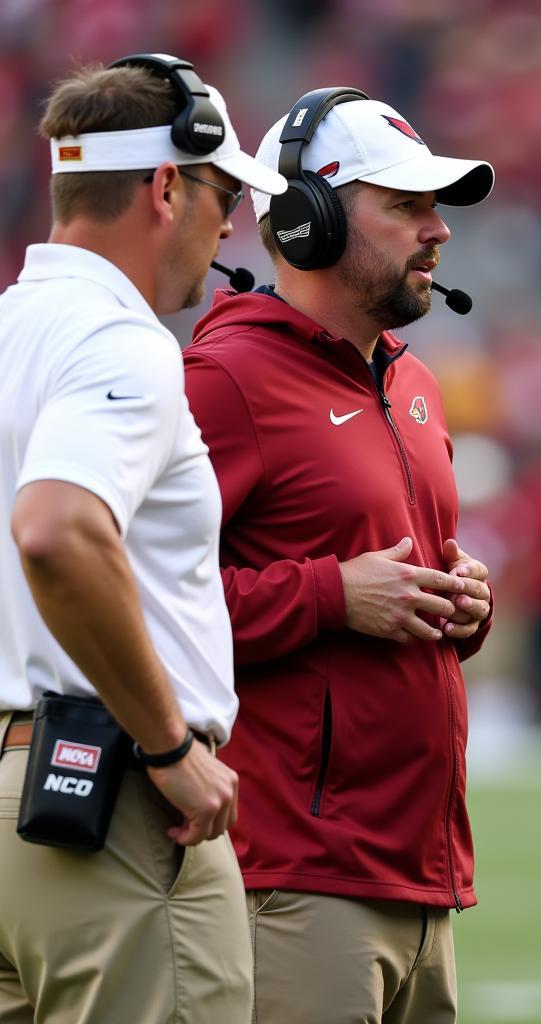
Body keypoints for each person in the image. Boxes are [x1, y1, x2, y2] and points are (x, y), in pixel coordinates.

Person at [182, 87, 495, 1024]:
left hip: (422, 877)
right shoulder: (225, 383)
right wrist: (329, 595)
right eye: (405, 206)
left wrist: (456, 604)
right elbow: (132, 604)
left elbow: (384, 588)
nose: (437, 230)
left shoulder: (418, 385)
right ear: (306, 218)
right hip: (294, 877)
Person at [0, 55, 286, 1022]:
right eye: (221, 194)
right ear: (167, 185)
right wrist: (167, 746)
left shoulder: (9, 329)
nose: (230, 224)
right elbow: (56, 531)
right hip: (108, 807)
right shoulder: (119, 343)